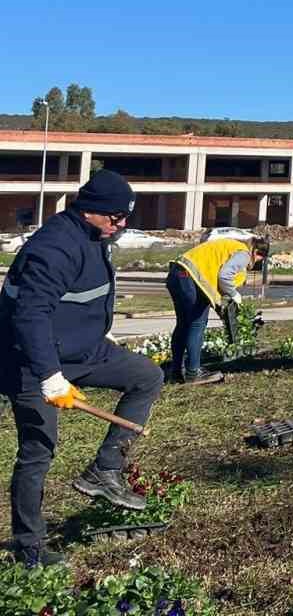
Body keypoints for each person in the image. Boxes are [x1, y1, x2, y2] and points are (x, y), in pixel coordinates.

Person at [0, 171, 165, 566]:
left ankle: (104, 470)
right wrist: (49, 376)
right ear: (89, 210)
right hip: (32, 360)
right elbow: (30, 315)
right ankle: (30, 548)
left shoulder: (96, 236)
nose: (122, 224)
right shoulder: (54, 247)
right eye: (115, 217)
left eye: (125, 217)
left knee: (147, 376)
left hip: (85, 352)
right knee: (38, 450)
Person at [166, 232, 268, 385]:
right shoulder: (244, 254)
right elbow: (225, 277)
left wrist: (222, 307)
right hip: (190, 279)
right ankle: (193, 373)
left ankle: (176, 372)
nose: (258, 263)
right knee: (197, 324)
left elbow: (217, 282)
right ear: (257, 253)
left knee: (183, 325)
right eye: (260, 259)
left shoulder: (228, 247)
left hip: (178, 272)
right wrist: (234, 294)